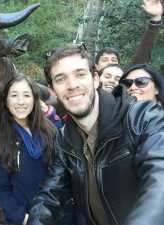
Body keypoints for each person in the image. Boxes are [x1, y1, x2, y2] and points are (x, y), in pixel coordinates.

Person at [27, 44, 164, 225]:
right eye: (60, 79)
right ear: (52, 90)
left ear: (95, 79)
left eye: (80, 74)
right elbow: (52, 193)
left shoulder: (142, 117)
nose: (72, 85)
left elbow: (159, 180)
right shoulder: (63, 138)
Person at [0, 74, 69, 225]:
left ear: (35, 99)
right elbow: (0, 187)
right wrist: (21, 217)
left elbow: (62, 172)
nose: (20, 102)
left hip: (59, 212)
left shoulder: (50, 129)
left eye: (26, 95)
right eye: (14, 95)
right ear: (6, 100)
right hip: (26, 216)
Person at [95, 0, 162, 71]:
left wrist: (156, 17)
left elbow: (141, 56)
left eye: (114, 60)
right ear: (96, 66)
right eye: (104, 60)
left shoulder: (125, 81)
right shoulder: (87, 81)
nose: (110, 63)